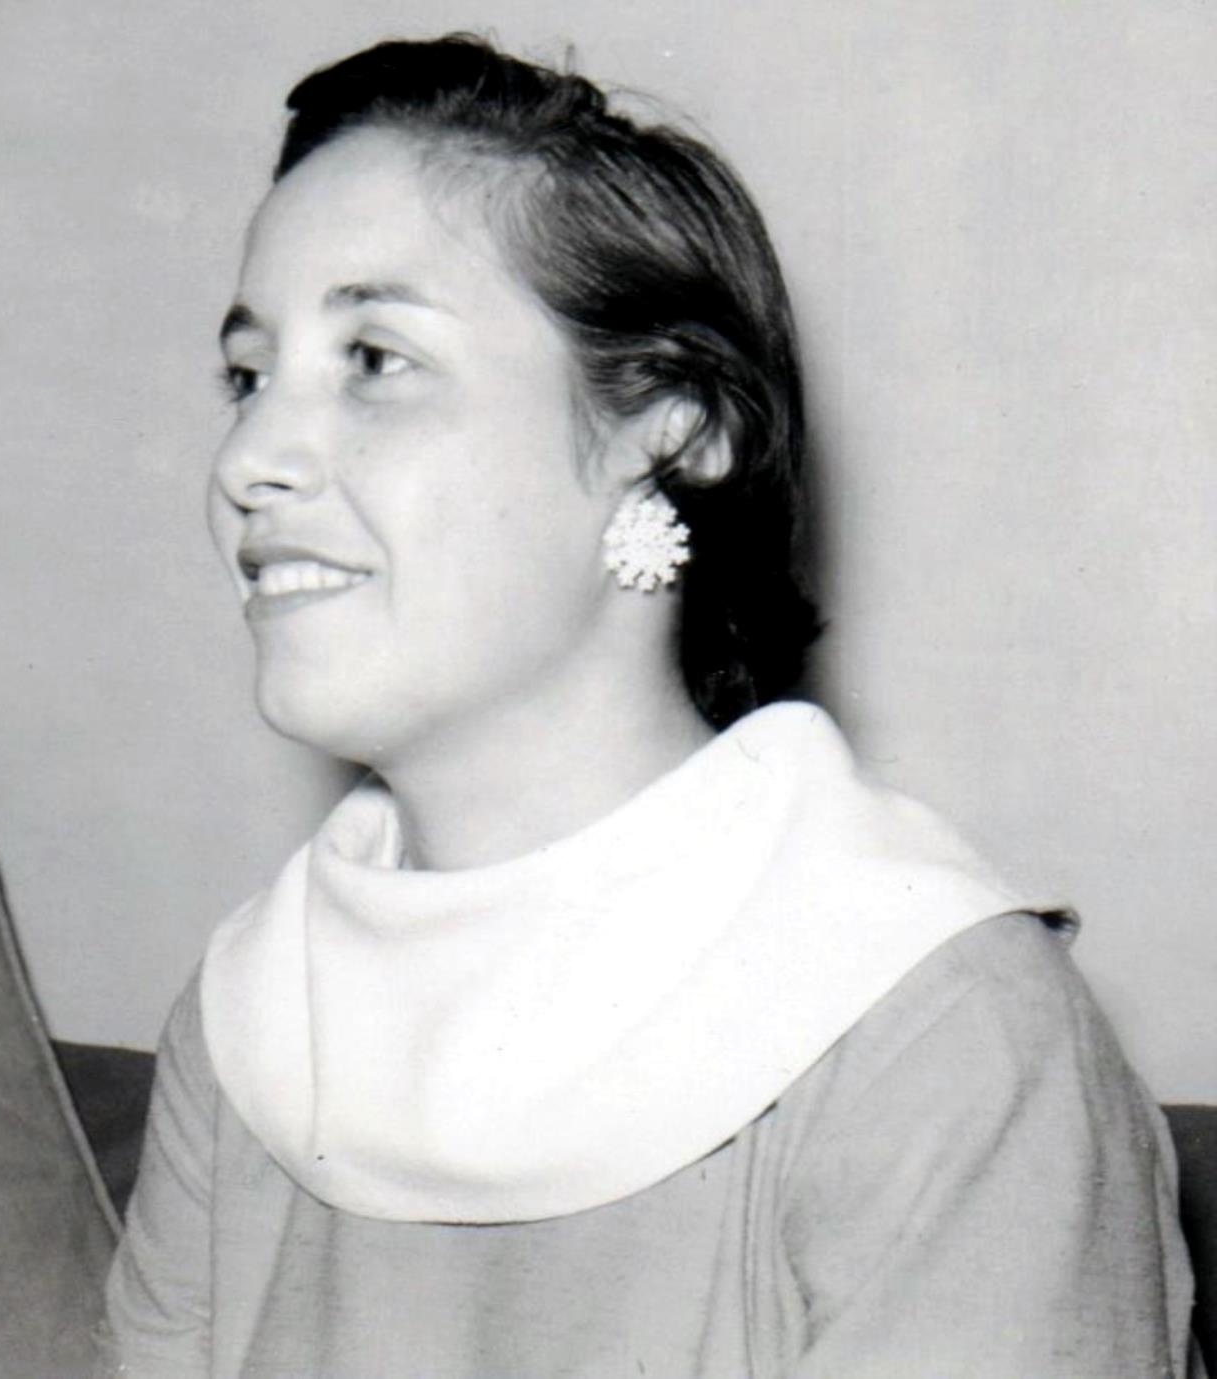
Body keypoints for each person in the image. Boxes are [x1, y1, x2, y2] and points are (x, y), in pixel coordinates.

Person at [100, 34, 1202, 1378]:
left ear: (671, 428)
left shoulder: (942, 1039)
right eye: (248, 375)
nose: (250, 457)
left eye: (376, 358)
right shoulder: (250, 1023)